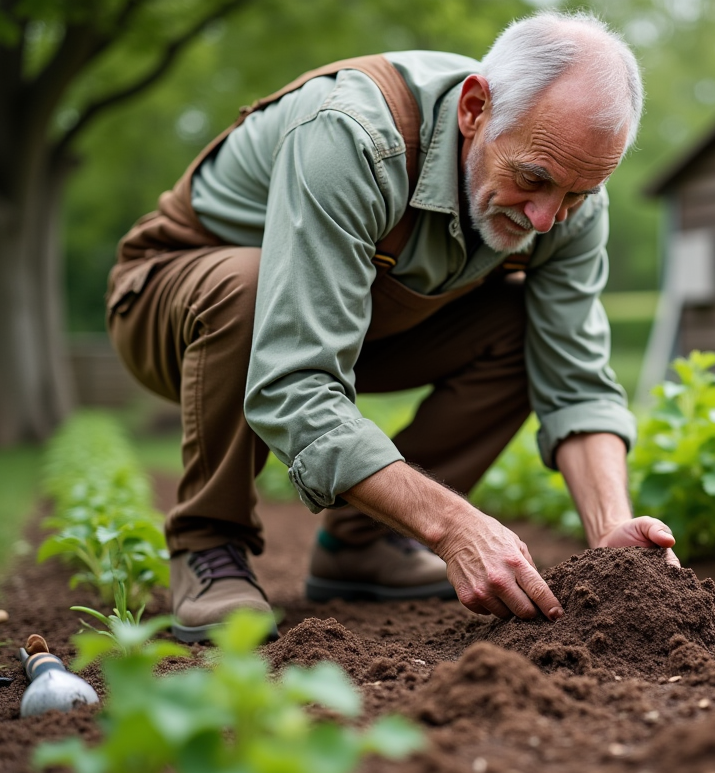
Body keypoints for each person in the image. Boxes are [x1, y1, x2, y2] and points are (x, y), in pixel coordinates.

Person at [106, 9, 678, 643]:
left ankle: (365, 547)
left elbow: (576, 379)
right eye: (533, 179)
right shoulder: (352, 136)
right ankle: (207, 545)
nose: (548, 218)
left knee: (522, 327)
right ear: (474, 109)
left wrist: (610, 537)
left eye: (576, 195)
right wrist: (453, 526)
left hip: (359, 321)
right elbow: (293, 380)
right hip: (181, 308)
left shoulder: (568, 194)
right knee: (248, 282)